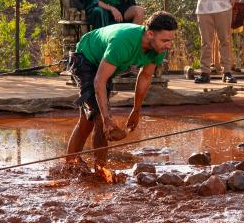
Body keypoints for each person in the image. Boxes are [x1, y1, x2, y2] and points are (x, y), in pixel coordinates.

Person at [66, 11, 177, 174]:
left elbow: (145, 77)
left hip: (106, 64)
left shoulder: (158, 48)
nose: (168, 45)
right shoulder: (123, 42)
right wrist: (107, 118)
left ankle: (71, 161)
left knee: (87, 117)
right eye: (165, 40)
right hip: (86, 58)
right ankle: (100, 171)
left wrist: (136, 110)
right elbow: (99, 81)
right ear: (150, 33)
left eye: (170, 41)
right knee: (97, 117)